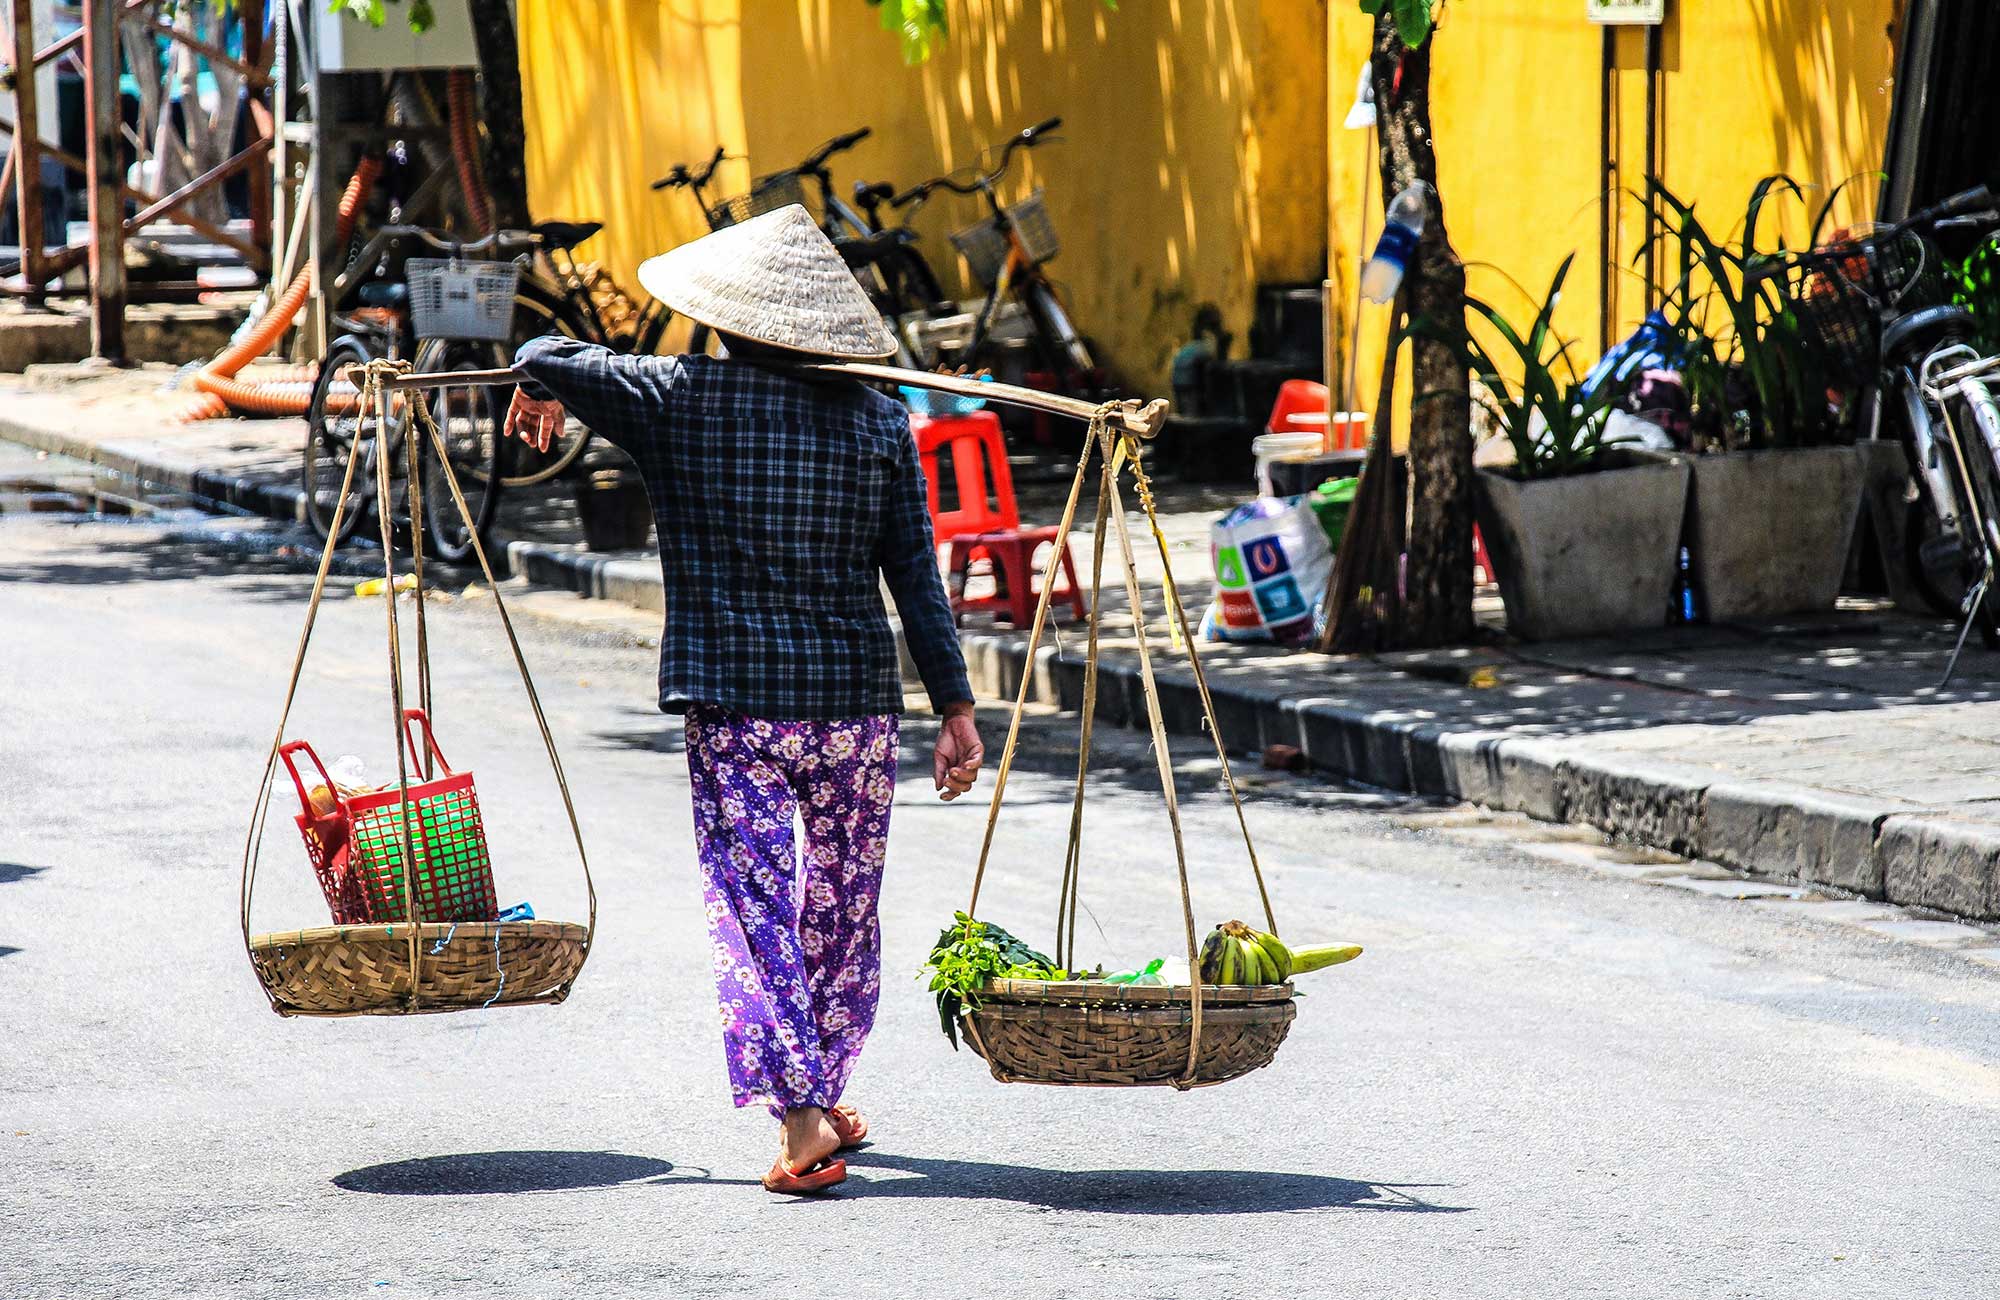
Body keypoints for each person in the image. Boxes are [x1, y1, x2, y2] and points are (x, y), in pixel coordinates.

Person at [503, 206, 983, 1196]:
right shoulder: (880, 419)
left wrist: (537, 381)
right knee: (842, 908)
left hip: (736, 707)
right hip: (852, 707)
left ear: (723, 321)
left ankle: (806, 1111)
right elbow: (915, 578)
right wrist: (956, 707)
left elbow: (545, 341)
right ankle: (819, 1088)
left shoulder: (676, 395)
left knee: (753, 904)